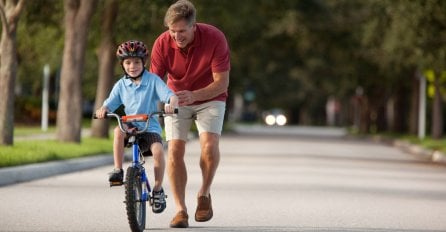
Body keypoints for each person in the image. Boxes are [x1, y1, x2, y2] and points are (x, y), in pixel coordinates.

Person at [150, 0, 230, 228]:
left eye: (182, 31)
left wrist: (194, 95)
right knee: (174, 149)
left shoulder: (215, 38)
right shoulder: (162, 43)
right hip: (176, 97)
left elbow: (222, 83)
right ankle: (180, 210)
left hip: (211, 97)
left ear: (194, 26)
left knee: (209, 145)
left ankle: (204, 193)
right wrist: (159, 102)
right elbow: (154, 83)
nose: (176, 36)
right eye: (172, 31)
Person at [95, 40, 178, 214]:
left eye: (137, 62)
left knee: (157, 151)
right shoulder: (121, 85)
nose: (132, 66)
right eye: (128, 62)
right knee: (118, 130)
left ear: (144, 63)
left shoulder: (153, 80)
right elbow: (109, 103)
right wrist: (103, 109)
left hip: (149, 127)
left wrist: (171, 104)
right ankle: (118, 169)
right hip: (130, 125)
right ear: (122, 65)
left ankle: (157, 189)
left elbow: (170, 95)